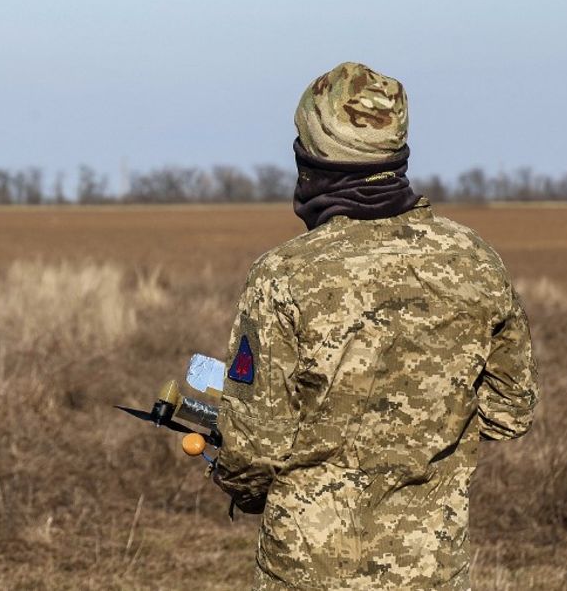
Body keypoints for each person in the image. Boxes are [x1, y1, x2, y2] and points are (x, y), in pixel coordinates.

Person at [212, 62, 538, 590]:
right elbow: (509, 413)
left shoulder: (284, 275)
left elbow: (252, 449)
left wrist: (237, 478)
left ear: (310, 158)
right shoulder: (476, 262)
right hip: (430, 566)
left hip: (306, 568)